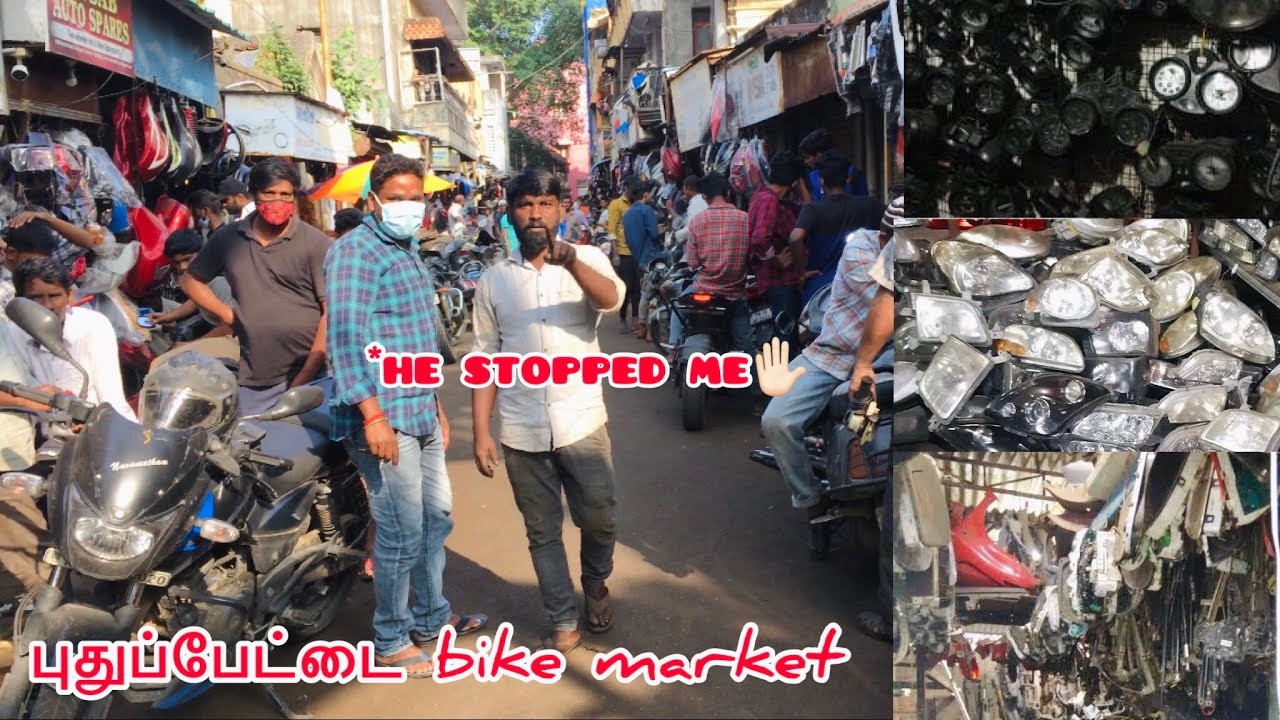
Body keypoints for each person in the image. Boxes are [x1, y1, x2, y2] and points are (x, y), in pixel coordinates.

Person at [326, 153, 486, 680]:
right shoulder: (356, 253)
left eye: (414, 197)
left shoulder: (408, 248)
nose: (406, 207)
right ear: (372, 199)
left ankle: (431, 620)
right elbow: (345, 341)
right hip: (384, 416)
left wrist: (436, 405)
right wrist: (372, 416)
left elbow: (416, 340)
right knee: (399, 530)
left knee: (436, 520)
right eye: (396, 198)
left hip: (418, 408)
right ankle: (391, 638)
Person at [471, 167, 625, 654]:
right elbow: (484, 360)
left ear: (562, 209)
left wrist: (572, 262)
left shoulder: (590, 259)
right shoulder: (494, 281)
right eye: (525, 204)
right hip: (521, 428)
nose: (535, 213)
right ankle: (561, 615)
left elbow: (613, 301)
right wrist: (480, 432)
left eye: (545, 203)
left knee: (600, 520)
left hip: (582, 419)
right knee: (542, 533)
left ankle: (596, 584)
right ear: (511, 213)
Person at [183, 157, 331, 415]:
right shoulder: (229, 239)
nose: (278, 201)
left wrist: (305, 375)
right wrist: (228, 316)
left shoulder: (314, 242)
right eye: (269, 193)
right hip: (256, 376)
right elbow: (191, 280)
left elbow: (330, 312)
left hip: (312, 374)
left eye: (286, 195)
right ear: (254, 195)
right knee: (251, 446)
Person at [761, 226, 883, 522]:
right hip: (833, 355)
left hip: (887, 359)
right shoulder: (860, 250)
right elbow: (887, 299)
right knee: (776, 421)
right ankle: (809, 495)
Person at [0, 258, 136, 422]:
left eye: (55, 296)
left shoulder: (94, 325)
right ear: (20, 302)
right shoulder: (10, 334)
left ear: (70, 296)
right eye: (36, 298)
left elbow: (111, 394)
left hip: (93, 425)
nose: (47, 305)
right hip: (39, 429)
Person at [669, 174, 755, 383]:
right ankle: (757, 397)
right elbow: (753, 255)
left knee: (678, 307)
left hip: (704, 290)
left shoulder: (697, 221)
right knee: (745, 344)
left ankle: (673, 350)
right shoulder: (745, 219)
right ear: (728, 193)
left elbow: (691, 262)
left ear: (705, 197)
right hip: (735, 293)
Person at [790, 151, 884, 303]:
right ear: (847, 179)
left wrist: (800, 274)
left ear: (821, 181)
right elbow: (893, 223)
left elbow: (795, 238)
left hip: (822, 288)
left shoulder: (813, 210)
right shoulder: (870, 205)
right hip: (863, 285)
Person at [748, 151, 807, 355]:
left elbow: (810, 212)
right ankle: (784, 383)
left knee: (787, 334)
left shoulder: (771, 198)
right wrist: (775, 260)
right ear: (792, 181)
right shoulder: (769, 200)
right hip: (779, 280)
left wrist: (798, 186)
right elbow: (759, 238)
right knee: (786, 336)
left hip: (782, 280)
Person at [147, 230, 235, 341]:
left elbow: (229, 327)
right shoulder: (199, 275)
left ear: (202, 253)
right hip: (210, 321)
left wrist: (193, 346)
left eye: (187, 259)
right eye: (177, 262)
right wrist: (168, 316)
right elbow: (198, 299)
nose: (182, 267)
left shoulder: (219, 281)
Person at [621, 182, 659, 341]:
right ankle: (650, 330)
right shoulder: (647, 210)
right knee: (654, 294)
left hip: (636, 257)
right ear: (645, 194)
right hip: (651, 256)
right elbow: (655, 234)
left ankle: (642, 326)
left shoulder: (627, 214)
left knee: (643, 293)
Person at [798, 129, 868, 200]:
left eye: (807, 157)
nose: (805, 162)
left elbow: (863, 203)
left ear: (819, 156)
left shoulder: (853, 174)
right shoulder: (811, 177)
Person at [606, 184, 635, 333]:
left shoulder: (637, 203)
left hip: (637, 252)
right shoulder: (616, 204)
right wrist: (615, 254)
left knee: (637, 288)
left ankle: (636, 320)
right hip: (622, 252)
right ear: (626, 189)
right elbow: (611, 229)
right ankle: (623, 318)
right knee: (626, 287)